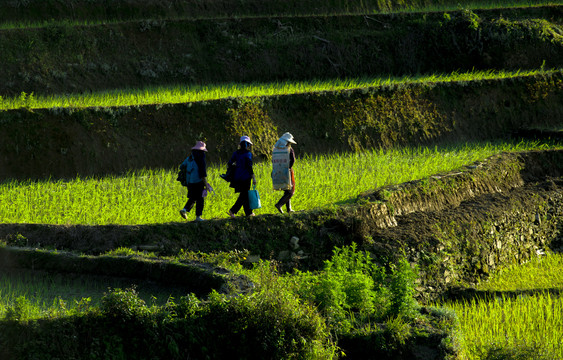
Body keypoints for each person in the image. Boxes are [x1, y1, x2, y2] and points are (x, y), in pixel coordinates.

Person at [179, 141, 211, 221]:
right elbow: (202, 173)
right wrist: (206, 184)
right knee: (200, 199)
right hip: (198, 182)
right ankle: (198, 217)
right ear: (202, 151)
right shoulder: (201, 158)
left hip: (189, 182)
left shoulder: (190, 158)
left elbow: (181, 166)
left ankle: (184, 210)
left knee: (193, 197)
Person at [227, 136, 257, 218]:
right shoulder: (248, 154)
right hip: (246, 178)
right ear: (247, 145)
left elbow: (230, 163)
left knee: (245, 194)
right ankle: (233, 210)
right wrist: (253, 178)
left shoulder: (236, 153)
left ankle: (249, 213)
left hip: (237, 178)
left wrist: (237, 166)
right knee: (243, 195)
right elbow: (249, 167)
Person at [271, 132, 296, 214]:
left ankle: (289, 209)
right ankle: (279, 204)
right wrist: (288, 168)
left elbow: (273, 161)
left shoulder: (276, 150)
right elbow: (292, 160)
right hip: (287, 170)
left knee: (287, 189)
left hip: (278, 170)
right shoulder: (289, 149)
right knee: (290, 191)